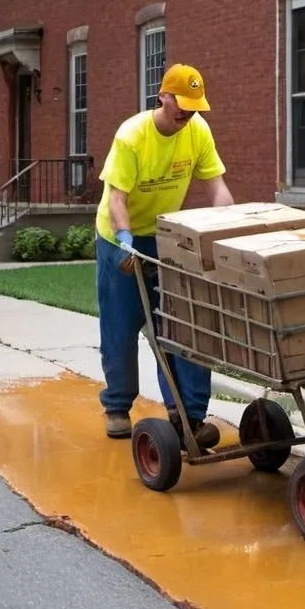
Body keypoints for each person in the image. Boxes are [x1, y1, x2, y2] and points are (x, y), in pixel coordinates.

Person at [95, 63, 234, 445]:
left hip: (162, 235)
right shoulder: (132, 136)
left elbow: (216, 188)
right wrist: (124, 240)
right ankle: (118, 406)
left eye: (194, 107)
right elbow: (116, 199)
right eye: (181, 105)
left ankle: (187, 415)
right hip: (118, 237)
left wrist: (230, 229)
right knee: (121, 326)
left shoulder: (197, 131)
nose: (187, 114)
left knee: (181, 323)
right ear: (164, 97)